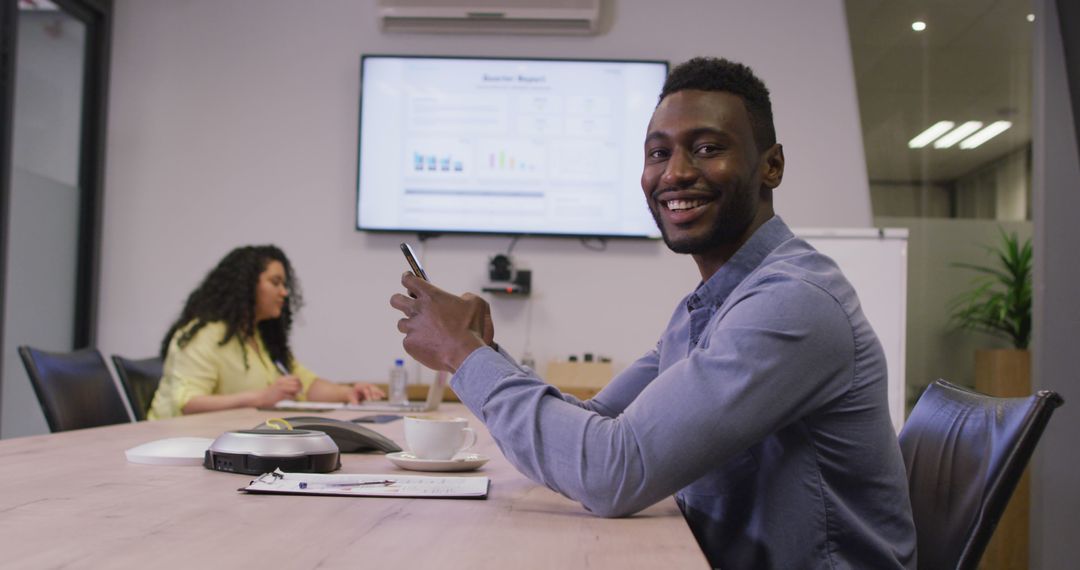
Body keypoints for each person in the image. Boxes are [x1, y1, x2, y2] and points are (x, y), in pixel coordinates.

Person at [390, 57, 917, 568]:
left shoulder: (791, 303)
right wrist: (483, 353)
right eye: (658, 154)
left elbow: (608, 471)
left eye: (708, 148)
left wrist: (463, 354)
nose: (677, 173)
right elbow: (597, 425)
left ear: (771, 166)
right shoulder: (713, 304)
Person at [148, 245, 383, 419]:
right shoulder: (203, 335)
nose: (284, 293)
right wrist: (261, 398)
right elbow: (189, 403)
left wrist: (349, 392)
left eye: (284, 285)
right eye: (275, 282)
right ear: (246, 285)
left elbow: (306, 384)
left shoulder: (261, 337)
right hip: (173, 446)